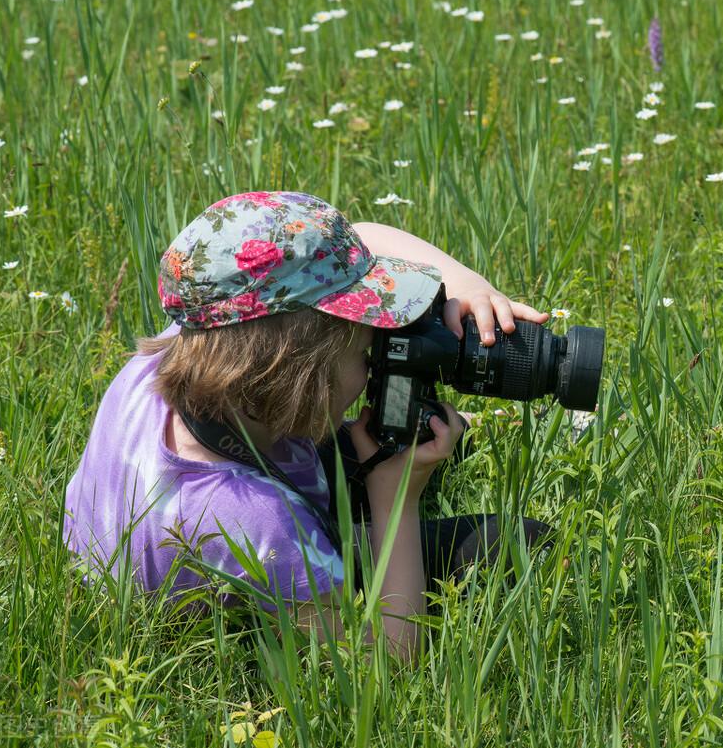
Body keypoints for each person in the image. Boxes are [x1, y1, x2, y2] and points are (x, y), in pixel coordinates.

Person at [63, 190, 557, 662]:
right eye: (365, 353)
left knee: (400, 433)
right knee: (513, 543)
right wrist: (396, 496)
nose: (375, 365)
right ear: (297, 372)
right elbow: (385, 661)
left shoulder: (204, 335)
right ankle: (384, 504)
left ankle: (474, 428)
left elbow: (364, 233)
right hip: (248, 575)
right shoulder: (257, 524)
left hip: (234, 469)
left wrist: (469, 286)